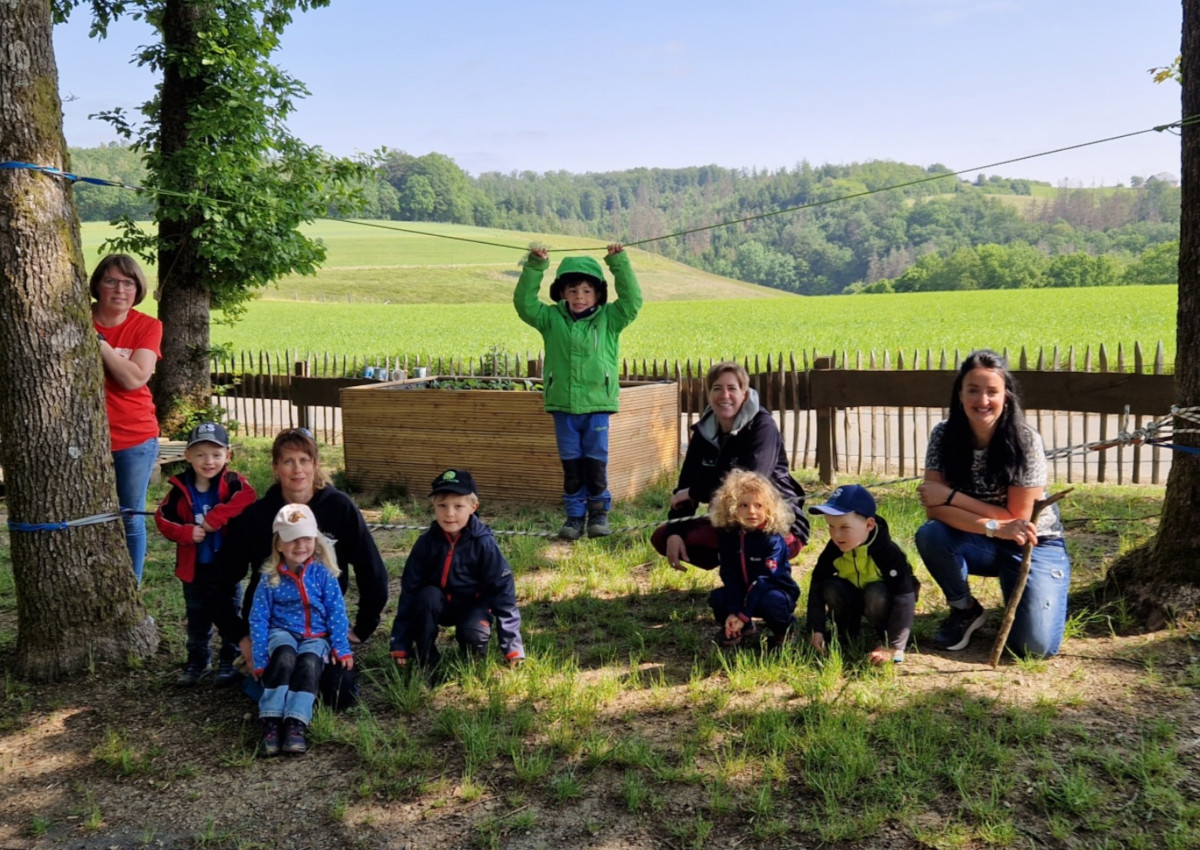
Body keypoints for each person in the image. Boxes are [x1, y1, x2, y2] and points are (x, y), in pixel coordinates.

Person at [204, 427, 388, 707]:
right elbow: (217, 581)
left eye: (304, 460)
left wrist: (363, 627)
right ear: (276, 467)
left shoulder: (339, 507)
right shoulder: (257, 516)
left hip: (321, 624)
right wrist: (242, 637)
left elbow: (371, 570)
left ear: (316, 464)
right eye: (288, 461)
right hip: (273, 626)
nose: (297, 469)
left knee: (339, 694)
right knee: (276, 684)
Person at [915, 349, 1071, 658]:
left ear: (1007, 396)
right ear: (960, 394)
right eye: (973, 390)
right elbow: (934, 508)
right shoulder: (943, 435)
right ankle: (965, 610)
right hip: (983, 536)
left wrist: (951, 498)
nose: (982, 400)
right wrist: (993, 527)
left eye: (992, 392)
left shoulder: (1025, 441)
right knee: (931, 534)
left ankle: (1035, 596)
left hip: (1034, 542)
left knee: (1033, 648)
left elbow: (1018, 517)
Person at [514, 242, 642, 540]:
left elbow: (633, 300)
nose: (579, 297)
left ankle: (598, 514)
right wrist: (535, 266)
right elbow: (524, 304)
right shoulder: (549, 319)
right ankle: (574, 517)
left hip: (597, 405)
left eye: (586, 290)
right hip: (563, 407)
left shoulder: (611, 319)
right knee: (571, 465)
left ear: (598, 294)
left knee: (595, 463)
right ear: (561, 293)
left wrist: (618, 262)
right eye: (572, 290)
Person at [652, 361, 809, 570]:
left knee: (753, 544)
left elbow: (752, 484)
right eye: (717, 388)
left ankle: (761, 575)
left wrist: (696, 492)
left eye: (732, 388)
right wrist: (675, 532)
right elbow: (685, 486)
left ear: (744, 394)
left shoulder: (762, 426)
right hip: (730, 519)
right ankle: (734, 565)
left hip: (774, 521)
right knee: (663, 536)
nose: (724, 396)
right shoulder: (704, 433)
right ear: (709, 394)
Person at [390, 469, 525, 670]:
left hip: (473, 605)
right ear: (433, 506)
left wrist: (512, 647)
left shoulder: (484, 544)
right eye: (442, 505)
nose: (449, 513)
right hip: (438, 604)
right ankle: (426, 658)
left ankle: (472, 654)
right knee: (425, 597)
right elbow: (409, 592)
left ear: (473, 507)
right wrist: (400, 643)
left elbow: (503, 593)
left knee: (473, 636)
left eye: (458, 506)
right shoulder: (425, 543)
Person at [155, 422, 256, 686]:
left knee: (231, 612)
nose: (208, 461)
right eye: (200, 454)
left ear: (228, 455)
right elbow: (162, 519)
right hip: (194, 567)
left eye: (216, 454)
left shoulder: (234, 483)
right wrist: (187, 533)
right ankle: (197, 661)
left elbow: (248, 496)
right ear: (188, 456)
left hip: (226, 567)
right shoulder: (180, 489)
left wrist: (216, 517)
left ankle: (229, 659)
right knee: (197, 615)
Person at [250, 504, 353, 756]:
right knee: (284, 658)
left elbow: (336, 612)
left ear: (315, 540)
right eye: (292, 539)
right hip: (282, 632)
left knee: (308, 664)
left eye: (306, 538)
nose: (300, 545)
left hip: (315, 636)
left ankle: (296, 721)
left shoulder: (323, 573)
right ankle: (271, 720)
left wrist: (341, 647)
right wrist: (260, 657)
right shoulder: (269, 578)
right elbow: (259, 618)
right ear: (278, 544)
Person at [91, 254, 162, 583]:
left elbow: (135, 379)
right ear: (97, 285)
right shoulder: (76, 319)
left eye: (128, 283)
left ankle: (131, 586)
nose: (119, 289)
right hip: (83, 438)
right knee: (87, 514)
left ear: (137, 289)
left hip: (134, 437)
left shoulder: (147, 326)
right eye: (111, 281)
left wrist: (101, 346)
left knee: (129, 514)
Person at [806, 485, 919, 664]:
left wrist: (894, 644)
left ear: (869, 524)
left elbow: (905, 596)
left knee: (876, 593)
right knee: (830, 586)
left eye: (844, 527)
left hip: (883, 601)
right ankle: (847, 632)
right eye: (831, 526)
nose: (836, 534)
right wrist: (816, 629)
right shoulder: (834, 548)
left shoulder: (887, 552)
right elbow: (817, 585)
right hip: (852, 594)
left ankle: (885, 638)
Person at [707, 469, 800, 648]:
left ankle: (784, 630)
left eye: (759, 505)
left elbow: (765, 579)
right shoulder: (728, 537)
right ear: (731, 508)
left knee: (772, 602)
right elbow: (730, 576)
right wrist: (735, 612)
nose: (752, 511)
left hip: (772, 591)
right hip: (743, 592)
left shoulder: (773, 539)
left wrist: (742, 613)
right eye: (743, 505)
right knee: (718, 598)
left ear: (769, 508)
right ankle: (741, 627)